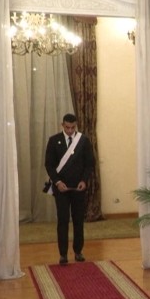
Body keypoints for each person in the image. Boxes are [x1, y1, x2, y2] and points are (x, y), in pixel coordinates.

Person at [44, 113, 95, 265]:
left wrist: (84, 180)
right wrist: (57, 182)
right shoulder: (54, 141)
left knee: (78, 220)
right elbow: (49, 165)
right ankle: (63, 254)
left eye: (73, 127)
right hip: (61, 189)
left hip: (78, 188)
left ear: (76, 125)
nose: (70, 130)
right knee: (63, 220)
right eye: (67, 127)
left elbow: (89, 163)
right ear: (62, 125)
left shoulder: (83, 141)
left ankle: (78, 251)